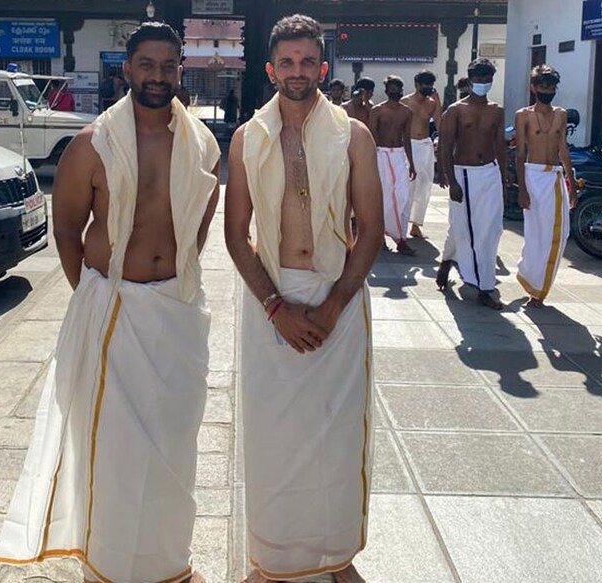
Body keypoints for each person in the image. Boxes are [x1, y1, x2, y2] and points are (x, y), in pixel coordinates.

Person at [0, 22, 221, 583]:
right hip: (112, 308)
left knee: (174, 442)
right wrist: (94, 296)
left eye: (169, 66)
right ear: (128, 70)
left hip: (176, 309)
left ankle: (170, 564)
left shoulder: (202, 143)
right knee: (112, 448)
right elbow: (66, 229)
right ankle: (112, 564)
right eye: (147, 64)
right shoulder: (92, 142)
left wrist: (175, 280)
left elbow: (199, 222)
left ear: (179, 72)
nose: (158, 76)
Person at [225, 14, 381, 583]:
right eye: (286, 63)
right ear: (271, 69)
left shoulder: (353, 136)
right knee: (270, 439)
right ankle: (269, 560)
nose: (297, 72)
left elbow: (372, 227)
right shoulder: (248, 137)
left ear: (322, 65)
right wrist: (275, 307)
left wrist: (336, 304)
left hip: (336, 298)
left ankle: (337, 558)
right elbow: (235, 234)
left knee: (336, 438)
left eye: (307, 61)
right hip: (271, 301)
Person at [437, 58, 510, 310]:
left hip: (489, 172)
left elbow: (499, 145)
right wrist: (450, 179)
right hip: (464, 173)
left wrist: (504, 176)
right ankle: (479, 285)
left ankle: (482, 281)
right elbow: (445, 146)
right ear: (470, 81)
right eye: (479, 79)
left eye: (488, 79)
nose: (484, 84)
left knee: (490, 230)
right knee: (464, 230)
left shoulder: (497, 111)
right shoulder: (456, 111)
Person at [514, 65, 577, 307]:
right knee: (535, 234)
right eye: (543, 86)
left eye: (551, 87)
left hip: (554, 177)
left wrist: (572, 183)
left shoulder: (561, 114)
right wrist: (521, 188)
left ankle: (539, 290)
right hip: (532, 175)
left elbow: (563, 149)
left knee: (557, 234)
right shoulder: (523, 115)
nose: (547, 91)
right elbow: (520, 153)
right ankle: (530, 277)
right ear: (534, 88)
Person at [369, 75, 417, 256]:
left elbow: (407, 139)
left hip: (398, 156)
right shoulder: (377, 110)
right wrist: (369, 161)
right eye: (393, 87)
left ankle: (401, 239)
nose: (396, 91)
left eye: (399, 87)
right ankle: (380, 237)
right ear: (387, 90)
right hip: (381, 155)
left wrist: (411, 164)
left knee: (403, 198)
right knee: (382, 197)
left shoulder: (406, 112)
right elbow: (371, 137)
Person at [400, 69, 443, 239]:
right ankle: (401, 224)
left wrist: (438, 102)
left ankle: (416, 225)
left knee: (424, 187)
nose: (428, 87)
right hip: (407, 146)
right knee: (407, 187)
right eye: (425, 84)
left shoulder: (432, 103)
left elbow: (440, 124)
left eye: (430, 84)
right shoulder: (405, 101)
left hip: (425, 146)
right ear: (417, 84)